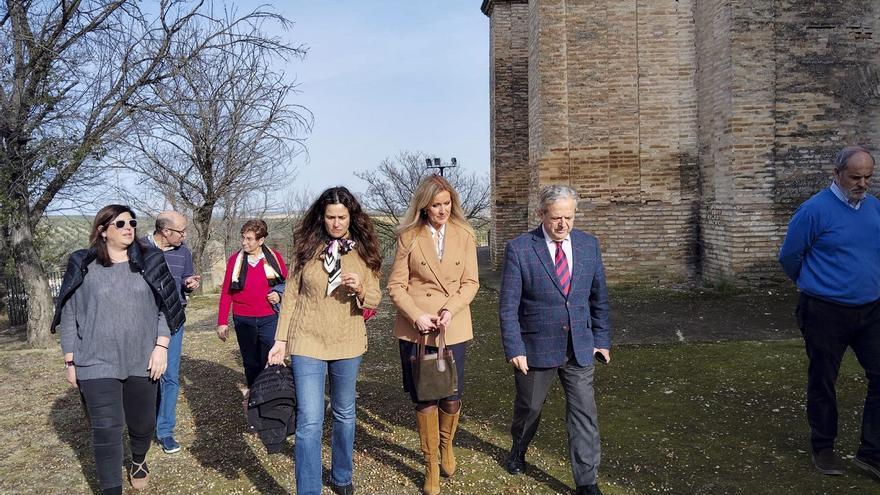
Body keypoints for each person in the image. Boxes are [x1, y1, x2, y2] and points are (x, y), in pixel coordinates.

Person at [51, 204, 185, 495]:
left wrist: (161, 346)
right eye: (121, 223)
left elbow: (166, 307)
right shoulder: (83, 264)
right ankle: (111, 489)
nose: (129, 227)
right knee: (107, 429)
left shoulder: (151, 260)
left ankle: (138, 459)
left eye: (132, 222)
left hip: (143, 358)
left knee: (143, 423)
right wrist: (70, 360)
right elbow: (70, 313)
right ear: (102, 231)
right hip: (95, 361)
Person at [267, 186, 382, 495]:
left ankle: (342, 476)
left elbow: (375, 298)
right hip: (307, 341)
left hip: (348, 341)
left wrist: (360, 289)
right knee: (310, 421)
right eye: (330, 217)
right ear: (322, 217)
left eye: (341, 217)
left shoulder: (365, 250)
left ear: (351, 217)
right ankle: (308, 489)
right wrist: (281, 341)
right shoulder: (306, 247)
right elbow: (290, 295)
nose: (335, 223)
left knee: (344, 413)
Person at [499, 185, 611, 495]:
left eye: (569, 218)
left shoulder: (589, 246)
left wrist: (601, 338)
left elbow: (599, 297)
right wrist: (515, 348)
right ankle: (518, 450)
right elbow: (508, 307)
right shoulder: (520, 248)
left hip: (580, 346)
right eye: (556, 218)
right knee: (529, 409)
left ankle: (587, 481)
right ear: (541, 214)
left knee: (584, 414)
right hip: (535, 347)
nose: (563, 224)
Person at [778, 145, 880, 480]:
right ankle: (823, 447)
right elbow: (790, 257)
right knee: (824, 379)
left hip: (870, 311)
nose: (862, 183)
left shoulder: (874, 208)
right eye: (855, 177)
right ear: (836, 174)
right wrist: (815, 284)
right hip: (824, 312)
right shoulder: (814, 211)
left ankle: (871, 453)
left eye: (868, 176)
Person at [387, 174, 479, 495]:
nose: (442, 210)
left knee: (451, 396)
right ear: (423, 207)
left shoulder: (465, 234)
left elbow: (470, 283)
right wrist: (417, 315)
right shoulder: (408, 237)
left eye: (446, 203)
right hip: (418, 330)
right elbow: (396, 286)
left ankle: (446, 445)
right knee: (425, 395)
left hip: (452, 326)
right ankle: (430, 465)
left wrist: (449, 310)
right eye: (435, 205)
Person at [143, 210, 200, 454]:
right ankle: (143, 426)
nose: (185, 236)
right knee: (145, 375)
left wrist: (190, 284)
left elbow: (186, 280)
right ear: (165, 231)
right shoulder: (139, 249)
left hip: (173, 319)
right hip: (143, 322)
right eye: (181, 231)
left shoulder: (183, 252)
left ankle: (165, 431)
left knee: (170, 375)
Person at [217, 219, 288, 393]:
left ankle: (271, 395)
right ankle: (254, 395)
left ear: (261, 240)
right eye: (243, 238)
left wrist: (279, 295)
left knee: (270, 358)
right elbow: (227, 293)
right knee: (250, 361)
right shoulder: (235, 261)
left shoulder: (275, 258)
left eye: (249, 239)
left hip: (269, 317)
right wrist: (222, 322)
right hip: (243, 319)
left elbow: (288, 285)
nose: (244, 242)